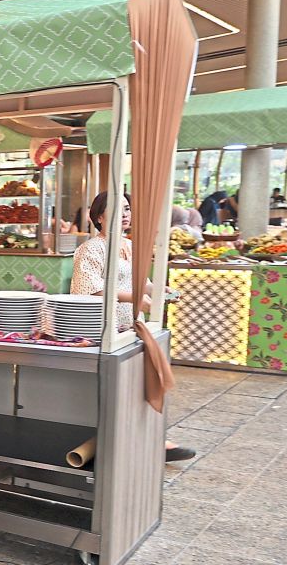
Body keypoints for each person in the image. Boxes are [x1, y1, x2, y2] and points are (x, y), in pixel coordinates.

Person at [72, 191, 195, 463]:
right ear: (100, 217)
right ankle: (144, 442)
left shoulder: (128, 245)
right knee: (121, 389)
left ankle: (150, 439)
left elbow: (140, 282)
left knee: (139, 383)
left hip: (129, 326)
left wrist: (161, 290)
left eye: (128, 208)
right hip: (104, 329)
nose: (126, 214)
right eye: (118, 209)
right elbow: (90, 290)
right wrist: (139, 298)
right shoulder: (91, 249)